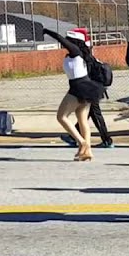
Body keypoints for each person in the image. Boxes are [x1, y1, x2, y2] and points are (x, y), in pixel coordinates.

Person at [44, 27, 102, 162]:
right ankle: (86, 152)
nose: (66, 42)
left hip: (79, 87)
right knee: (82, 121)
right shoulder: (76, 54)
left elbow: (60, 38)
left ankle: (82, 142)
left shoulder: (76, 52)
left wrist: (48, 31)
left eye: (70, 40)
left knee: (61, 117)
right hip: (84, 86)